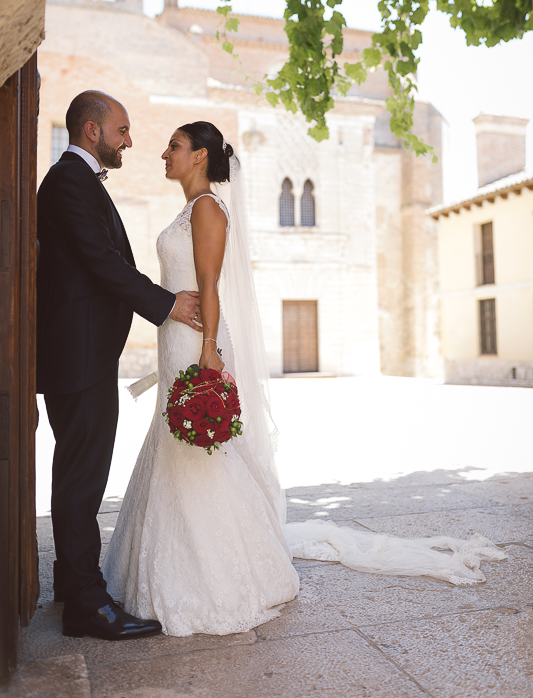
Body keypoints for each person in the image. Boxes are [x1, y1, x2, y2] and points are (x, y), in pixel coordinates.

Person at [102, 121, 505, 637]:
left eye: (174, 145)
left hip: (194, 341)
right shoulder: (188, 208)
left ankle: (215, 576)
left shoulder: (206, 209)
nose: (164, 152)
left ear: (201, 155)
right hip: (176, 337)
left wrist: (208, 353)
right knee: (179, 449)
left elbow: (209, 283)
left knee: (197, 451)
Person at [36, 91, 203, 640]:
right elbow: (100, 261)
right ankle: (88, 606)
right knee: (83, 480)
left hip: (82, 354)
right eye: (123, 131)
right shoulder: (67, 182)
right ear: (92, 130)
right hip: (77, 356)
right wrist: (166, 302)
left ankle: (71, 583)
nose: (130, 140)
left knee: (77, 474)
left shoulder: (76, 181)